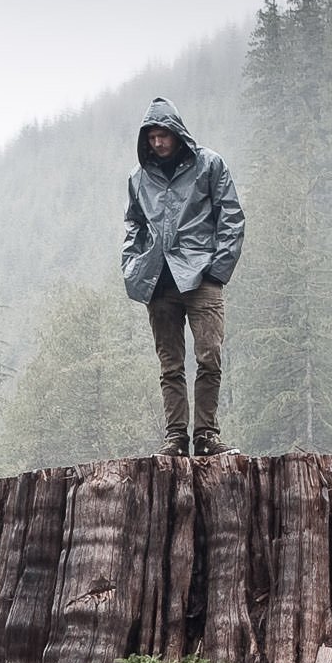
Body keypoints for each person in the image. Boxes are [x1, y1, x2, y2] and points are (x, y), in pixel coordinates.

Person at [122, 98, 245, 456]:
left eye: (163, 135)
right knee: (170, 365)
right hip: (158, 281)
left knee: (210, 358)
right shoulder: (138, 177)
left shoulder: (209, 164)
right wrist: (133, 266)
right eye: (152, 137)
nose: (158, 143)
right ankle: (176, 438)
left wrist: (218, 269)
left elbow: (231, 216)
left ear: (177, 133)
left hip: (202, 278)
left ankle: (206, 435)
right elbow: (133, 224)